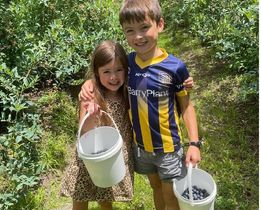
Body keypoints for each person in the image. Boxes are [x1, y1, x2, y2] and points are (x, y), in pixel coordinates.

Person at [79, 1, 201, 209]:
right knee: (155, 187)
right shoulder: (129, 63)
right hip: (142, 147)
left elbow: (187, 106)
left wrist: (194, 144)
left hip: (169, 147)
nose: (138, 36)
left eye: (144, 27)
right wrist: (88, 82)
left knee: (170, 194)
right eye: (130, 31)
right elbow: (108, 73)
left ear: (160, 24)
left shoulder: (175, 67)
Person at [60, 40, 134, 210]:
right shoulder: (91, 94)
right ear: (97, 72)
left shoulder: (128, 91)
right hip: (90, 155)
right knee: (80, 195)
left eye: (119, 70)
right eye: (106, 71)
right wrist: (91, 116)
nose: (113, 77)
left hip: (111, 156)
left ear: (126, 70)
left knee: (106, 193)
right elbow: (84, 131)